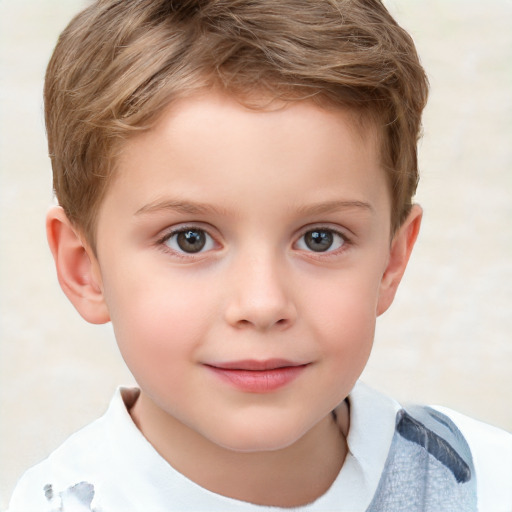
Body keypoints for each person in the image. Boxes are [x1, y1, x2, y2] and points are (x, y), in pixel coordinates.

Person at [7, 0, 512, 510]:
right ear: (83, 268)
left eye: (320, 238)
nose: (263, 303)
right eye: (190, 239)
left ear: (392, 260)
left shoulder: (491, 485)